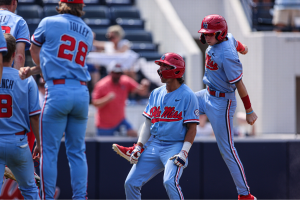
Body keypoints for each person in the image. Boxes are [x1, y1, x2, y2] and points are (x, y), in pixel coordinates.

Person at [113, 15, 257, 200]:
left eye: (211, 34)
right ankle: (139, 147)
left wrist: (249, 110)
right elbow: (235, 41)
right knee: (170, 109)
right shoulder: (226, 39)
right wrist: (244, 49)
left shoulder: (226, 54)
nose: (207, 37)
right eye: (205, 33)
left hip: (223, 101)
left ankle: (244, 194)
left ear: (220, 34)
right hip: (207, 94)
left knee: (227, 150)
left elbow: (239, 84)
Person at [18, 0, 93, 199]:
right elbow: (67, 62)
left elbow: (36, 51)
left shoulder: (49, 22)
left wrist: (35, 67)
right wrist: (36, 70)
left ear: (61, 4)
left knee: (48, 152)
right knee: (77, 153)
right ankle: (80, 197)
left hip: (58, 90)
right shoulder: (87, 31)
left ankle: (47, 197)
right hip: (82, 92)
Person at [120, 52, 199, 200]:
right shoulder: (156, 93)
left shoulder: (188, 95)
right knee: (130, 183)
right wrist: (139, 146)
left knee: (170, 181)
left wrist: (184, 152)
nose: (160, 71)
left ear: (176, 70)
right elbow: (148, 122)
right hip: (154, 144)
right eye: (160, 67)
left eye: (164, 67)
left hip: (174, 146)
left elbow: (192, 128)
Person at [0, 33, 40, 199]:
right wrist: (39, 142)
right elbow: (34, 117)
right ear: (14, 53)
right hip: (19, 143)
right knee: (30, 190)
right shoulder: (26, 78)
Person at [92, 61, 149, 137]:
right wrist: (107, 99)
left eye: (119, 73)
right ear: (110, 72)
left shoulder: (125, 81)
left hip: (120, 121)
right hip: (104, 125)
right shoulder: (101, 85)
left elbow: (141, 91)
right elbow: (95, 103)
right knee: (105, 147)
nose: (117, 75)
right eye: (115, 72)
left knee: (134, 136)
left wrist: (144, 84)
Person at [0, 0, 31, 69]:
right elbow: (19, 57)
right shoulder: (19, 21)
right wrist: (15, 78)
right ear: (14, 2)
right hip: (8, 72)